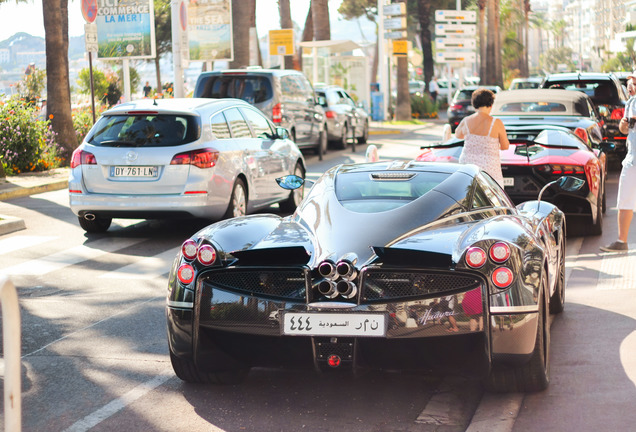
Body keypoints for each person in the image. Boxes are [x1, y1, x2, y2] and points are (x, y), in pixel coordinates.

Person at [601, 72, 636, 252]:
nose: (632, 85)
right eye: (632, 82)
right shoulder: (631, 103)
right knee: (624, 200)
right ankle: (622, 241)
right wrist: (624, 123)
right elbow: (624, 130)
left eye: (635, 82)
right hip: (632, 159)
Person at [454, 88, 510, 187]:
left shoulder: (466, 120)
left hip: (467, 167)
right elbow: (505, 146)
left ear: (474, 104)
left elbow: (458, 135)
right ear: (491, 104)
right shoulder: (496, 123)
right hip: (489, 169)